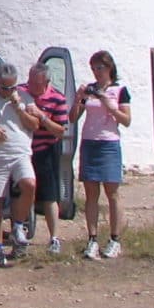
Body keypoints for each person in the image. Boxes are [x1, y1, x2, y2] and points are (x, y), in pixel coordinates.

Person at [0, 62, 39, 267]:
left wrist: (19, 108)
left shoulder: (25, 98)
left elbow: (35, 125)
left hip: (19, 153)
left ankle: (18, 226)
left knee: (29, 184)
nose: (8, 91)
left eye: (12, 87)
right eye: (4, 87)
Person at [72, 50, 131, 260]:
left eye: (100, 67)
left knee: (112, 193)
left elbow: (126, 120)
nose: (97, 72)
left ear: (109, 68)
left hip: (109, 143)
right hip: (90, 142)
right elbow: (72, 118)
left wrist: (108, 104)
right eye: (94, 68)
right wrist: (78, 98)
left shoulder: (120, 90)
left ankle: (115, 239)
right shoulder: (90, 90)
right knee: (91, 194)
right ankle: (92, 239)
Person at [26, 61, 70, 254]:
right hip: (23, 149)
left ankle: (54, 238)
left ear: (46, 82)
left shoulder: (57, 99)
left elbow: (61, 131)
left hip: (46, 149)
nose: (32, 87)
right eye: (30, 81)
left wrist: (42, 117)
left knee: (50, 195)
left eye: (36, 83)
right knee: (23, 193)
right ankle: (22, 234)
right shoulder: (21, 92)